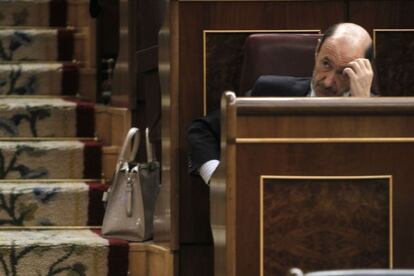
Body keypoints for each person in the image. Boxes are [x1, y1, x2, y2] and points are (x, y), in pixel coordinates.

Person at [187, 22, 374, 184]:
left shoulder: (384, 112)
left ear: (363, 71)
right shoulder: (270, 91)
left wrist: (363, 108)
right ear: (316, 51)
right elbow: (202, 131)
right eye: (326, 64)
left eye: (344, 73)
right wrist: (218, 180)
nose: (328, 81)